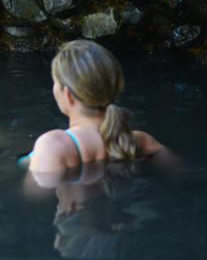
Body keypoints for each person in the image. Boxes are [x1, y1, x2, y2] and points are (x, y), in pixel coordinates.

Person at [20, 39, 167, 187]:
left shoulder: (53, 146)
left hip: (75, 208)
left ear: (68, 95)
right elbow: (182, 174)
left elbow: (31, 199)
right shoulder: (140, 141)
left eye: (55, 82)